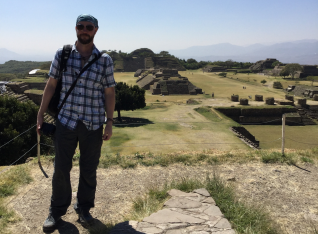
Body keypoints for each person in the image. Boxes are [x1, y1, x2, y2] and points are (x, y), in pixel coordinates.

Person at [37, 14, 116, 232]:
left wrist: (109, 122)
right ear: (75, 28)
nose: (84, 30)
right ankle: (56, 211)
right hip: (66, 121)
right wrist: (40, 113)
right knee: (61, 169)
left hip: (93, 123)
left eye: (89, 27)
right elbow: (51, 85)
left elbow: (109, 93)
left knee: (89, 169)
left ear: (95, 30)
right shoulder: (62, 55)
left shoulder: (104, 60)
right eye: (81, 26)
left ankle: (83, 209)